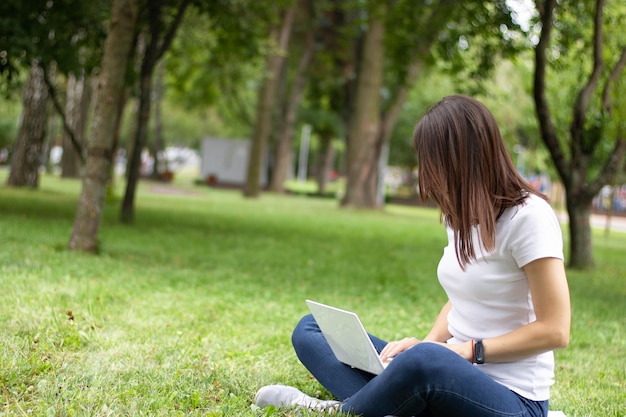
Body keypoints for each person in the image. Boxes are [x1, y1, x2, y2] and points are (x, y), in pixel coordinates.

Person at [255, 95, 571, 417]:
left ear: (459, 159)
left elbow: (555, 330)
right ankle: (392, 403)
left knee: (424, 364)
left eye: (429, 160)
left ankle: (337, 411)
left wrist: (460, 352)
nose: (424, 172)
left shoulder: (529, 217)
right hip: (443, 372)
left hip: (512, 399)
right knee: (312, 330)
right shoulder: (459, 215)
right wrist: (427, 343)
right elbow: (465, 298)